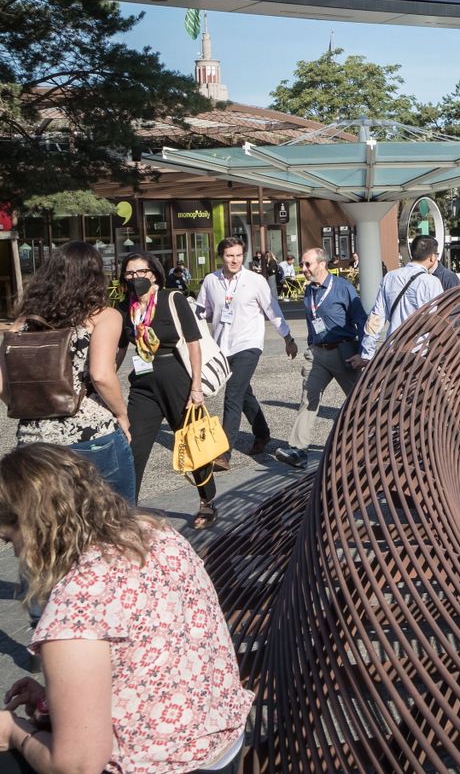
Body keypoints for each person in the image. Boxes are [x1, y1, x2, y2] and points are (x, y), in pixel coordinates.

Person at [0, 443, 253, 772]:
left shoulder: (75, 607)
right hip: (220, 740)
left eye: (10, 540)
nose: (15, 554)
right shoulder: (154, 535)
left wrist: (14, 731)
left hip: (168, 765)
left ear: (35, 529)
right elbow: (146, 661)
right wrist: (56, 699)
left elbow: (77, 765)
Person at [1, 241, 135, 502]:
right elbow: (101, 375)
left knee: (48, 521)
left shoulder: (22, 323)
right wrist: (122, 415)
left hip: (34, 439)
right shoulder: (103, 316)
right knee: (117, 516)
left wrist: (33, 404)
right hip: (90, 432)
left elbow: (1, 383)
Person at [115, 251, 218, 528]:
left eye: (141, 272)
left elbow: (193, 343)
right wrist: (107, 376)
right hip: (143, 383)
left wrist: (196, 387)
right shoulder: (126, 307)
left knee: (193, 441)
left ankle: (207, 500)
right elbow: (121, 348)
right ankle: (126, 509)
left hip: (177, 379)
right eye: (129, 273)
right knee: (133, 446)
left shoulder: (173, 299)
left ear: (154, 274)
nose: (135, 277)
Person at [195, 237, 296, 469]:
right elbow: (202, 311)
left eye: (239, 255)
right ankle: (262, 433)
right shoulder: (211, 281)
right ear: (221, 257)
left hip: (248, 344)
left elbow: (272, 310)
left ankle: (224, 454)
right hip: (222, 346)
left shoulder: (255, 281)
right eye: (230, 255)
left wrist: (288, 338)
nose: (235, 260)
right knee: (244, 392)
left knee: (232, 394)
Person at [276, 249, 364, 469]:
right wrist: (310, 346)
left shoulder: (343, 288)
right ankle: (298, 450)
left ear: (322, 264)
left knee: (360, 400)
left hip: (344, 353)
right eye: (302, 264)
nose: (303, 268)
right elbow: (313, 320)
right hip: (317, 354)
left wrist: (363, 353)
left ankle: (373, 443)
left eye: (308, 264)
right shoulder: (309, 290)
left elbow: (361, 320)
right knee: (308, 399)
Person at [352, 236, 445, 369]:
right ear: (432, 257)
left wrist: (367, 354)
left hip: (392, 350)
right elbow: (437, 320)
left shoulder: (390, 277)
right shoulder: (432, 282)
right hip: (419, 353)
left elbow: (376, 318)